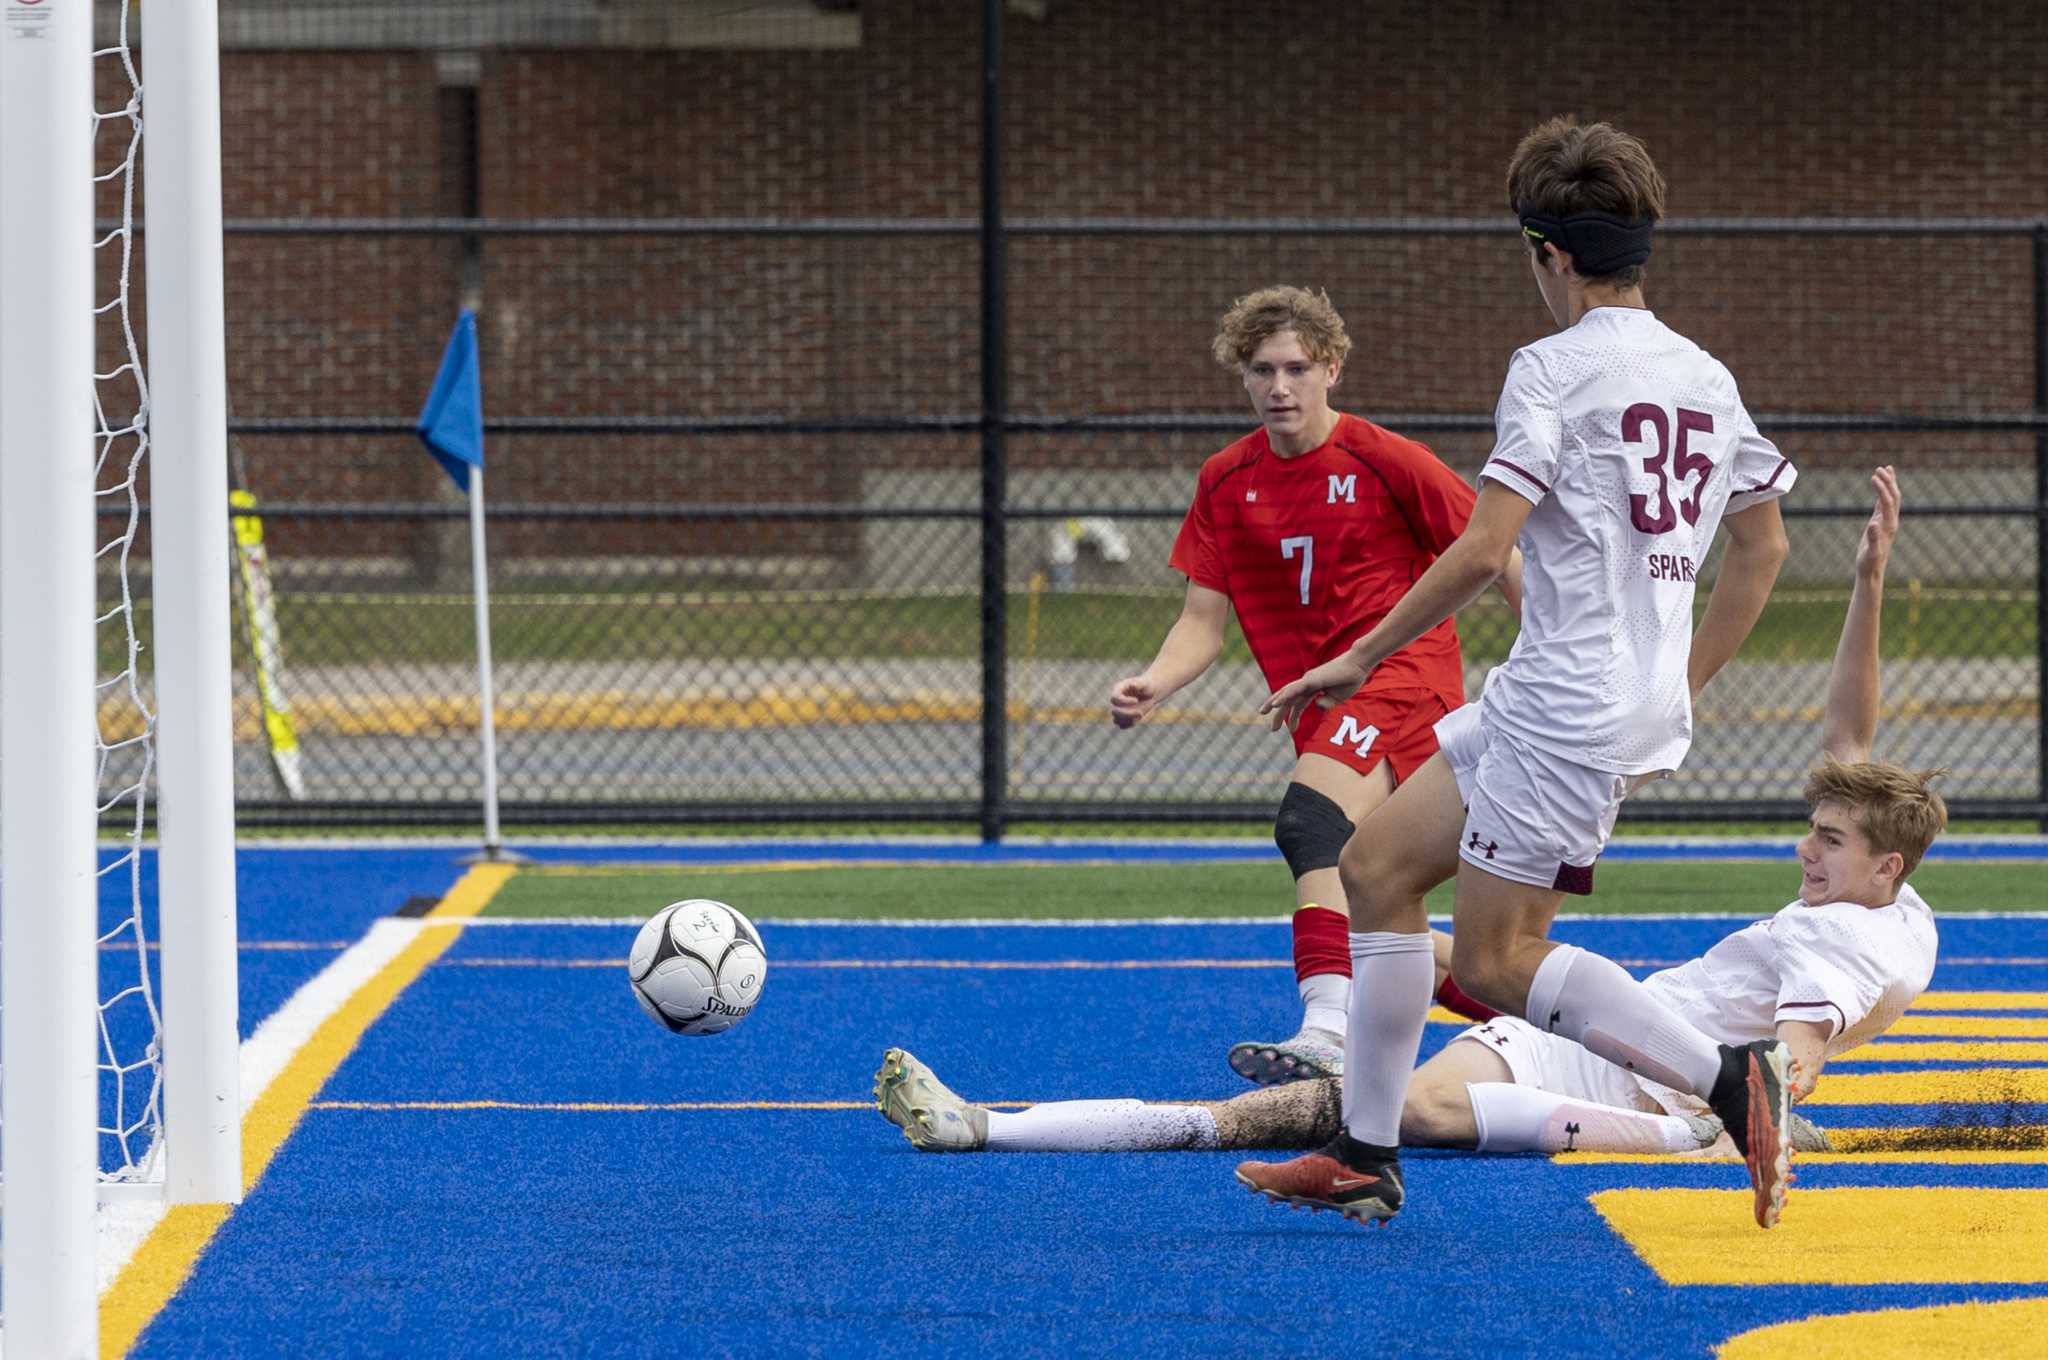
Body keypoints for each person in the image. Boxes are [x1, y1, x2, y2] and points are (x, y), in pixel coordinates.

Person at [875, 471, 1941, 1175]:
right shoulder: (1895, 899)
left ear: (1880, 865)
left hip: (1636, 1082)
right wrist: (1870, 577)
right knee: (1392, 936)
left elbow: (1789, 1061)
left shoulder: (1835, 936)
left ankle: (995, 1128)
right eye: (1814, 830)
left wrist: (1731, 1114)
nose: (1806, 846)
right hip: (1626, 1030)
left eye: (1828, 843)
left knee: (1397, 1103)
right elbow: (1849, 740)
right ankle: (1334, 1044)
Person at [1238, 118, 1806, 1228]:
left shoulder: (1547, 367)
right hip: (1571, 696)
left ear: (1546, 253)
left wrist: (1355, 654)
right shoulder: (1703, 372)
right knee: (1373, 867)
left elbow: (1484, 546)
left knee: (1499, 960)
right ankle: (1362, 1148)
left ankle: (1733, 1079)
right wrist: (1672, 680)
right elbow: (1764, 544)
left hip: (1560, 706)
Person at [1111, 285, 1521, 1085]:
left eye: (1297, 367)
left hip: (1404, 686)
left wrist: (1545, 660)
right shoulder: (1227, 481)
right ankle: (1560, 1022)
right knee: (1373, 908)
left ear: (1332, 368)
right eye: (1261, 370)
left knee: (1309, 823)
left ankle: (1327, 1030)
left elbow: (1496, 553)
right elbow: (1202, 621)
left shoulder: (1384, 459)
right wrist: (1153, 682)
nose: (1279, 387)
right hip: (1323, 715)